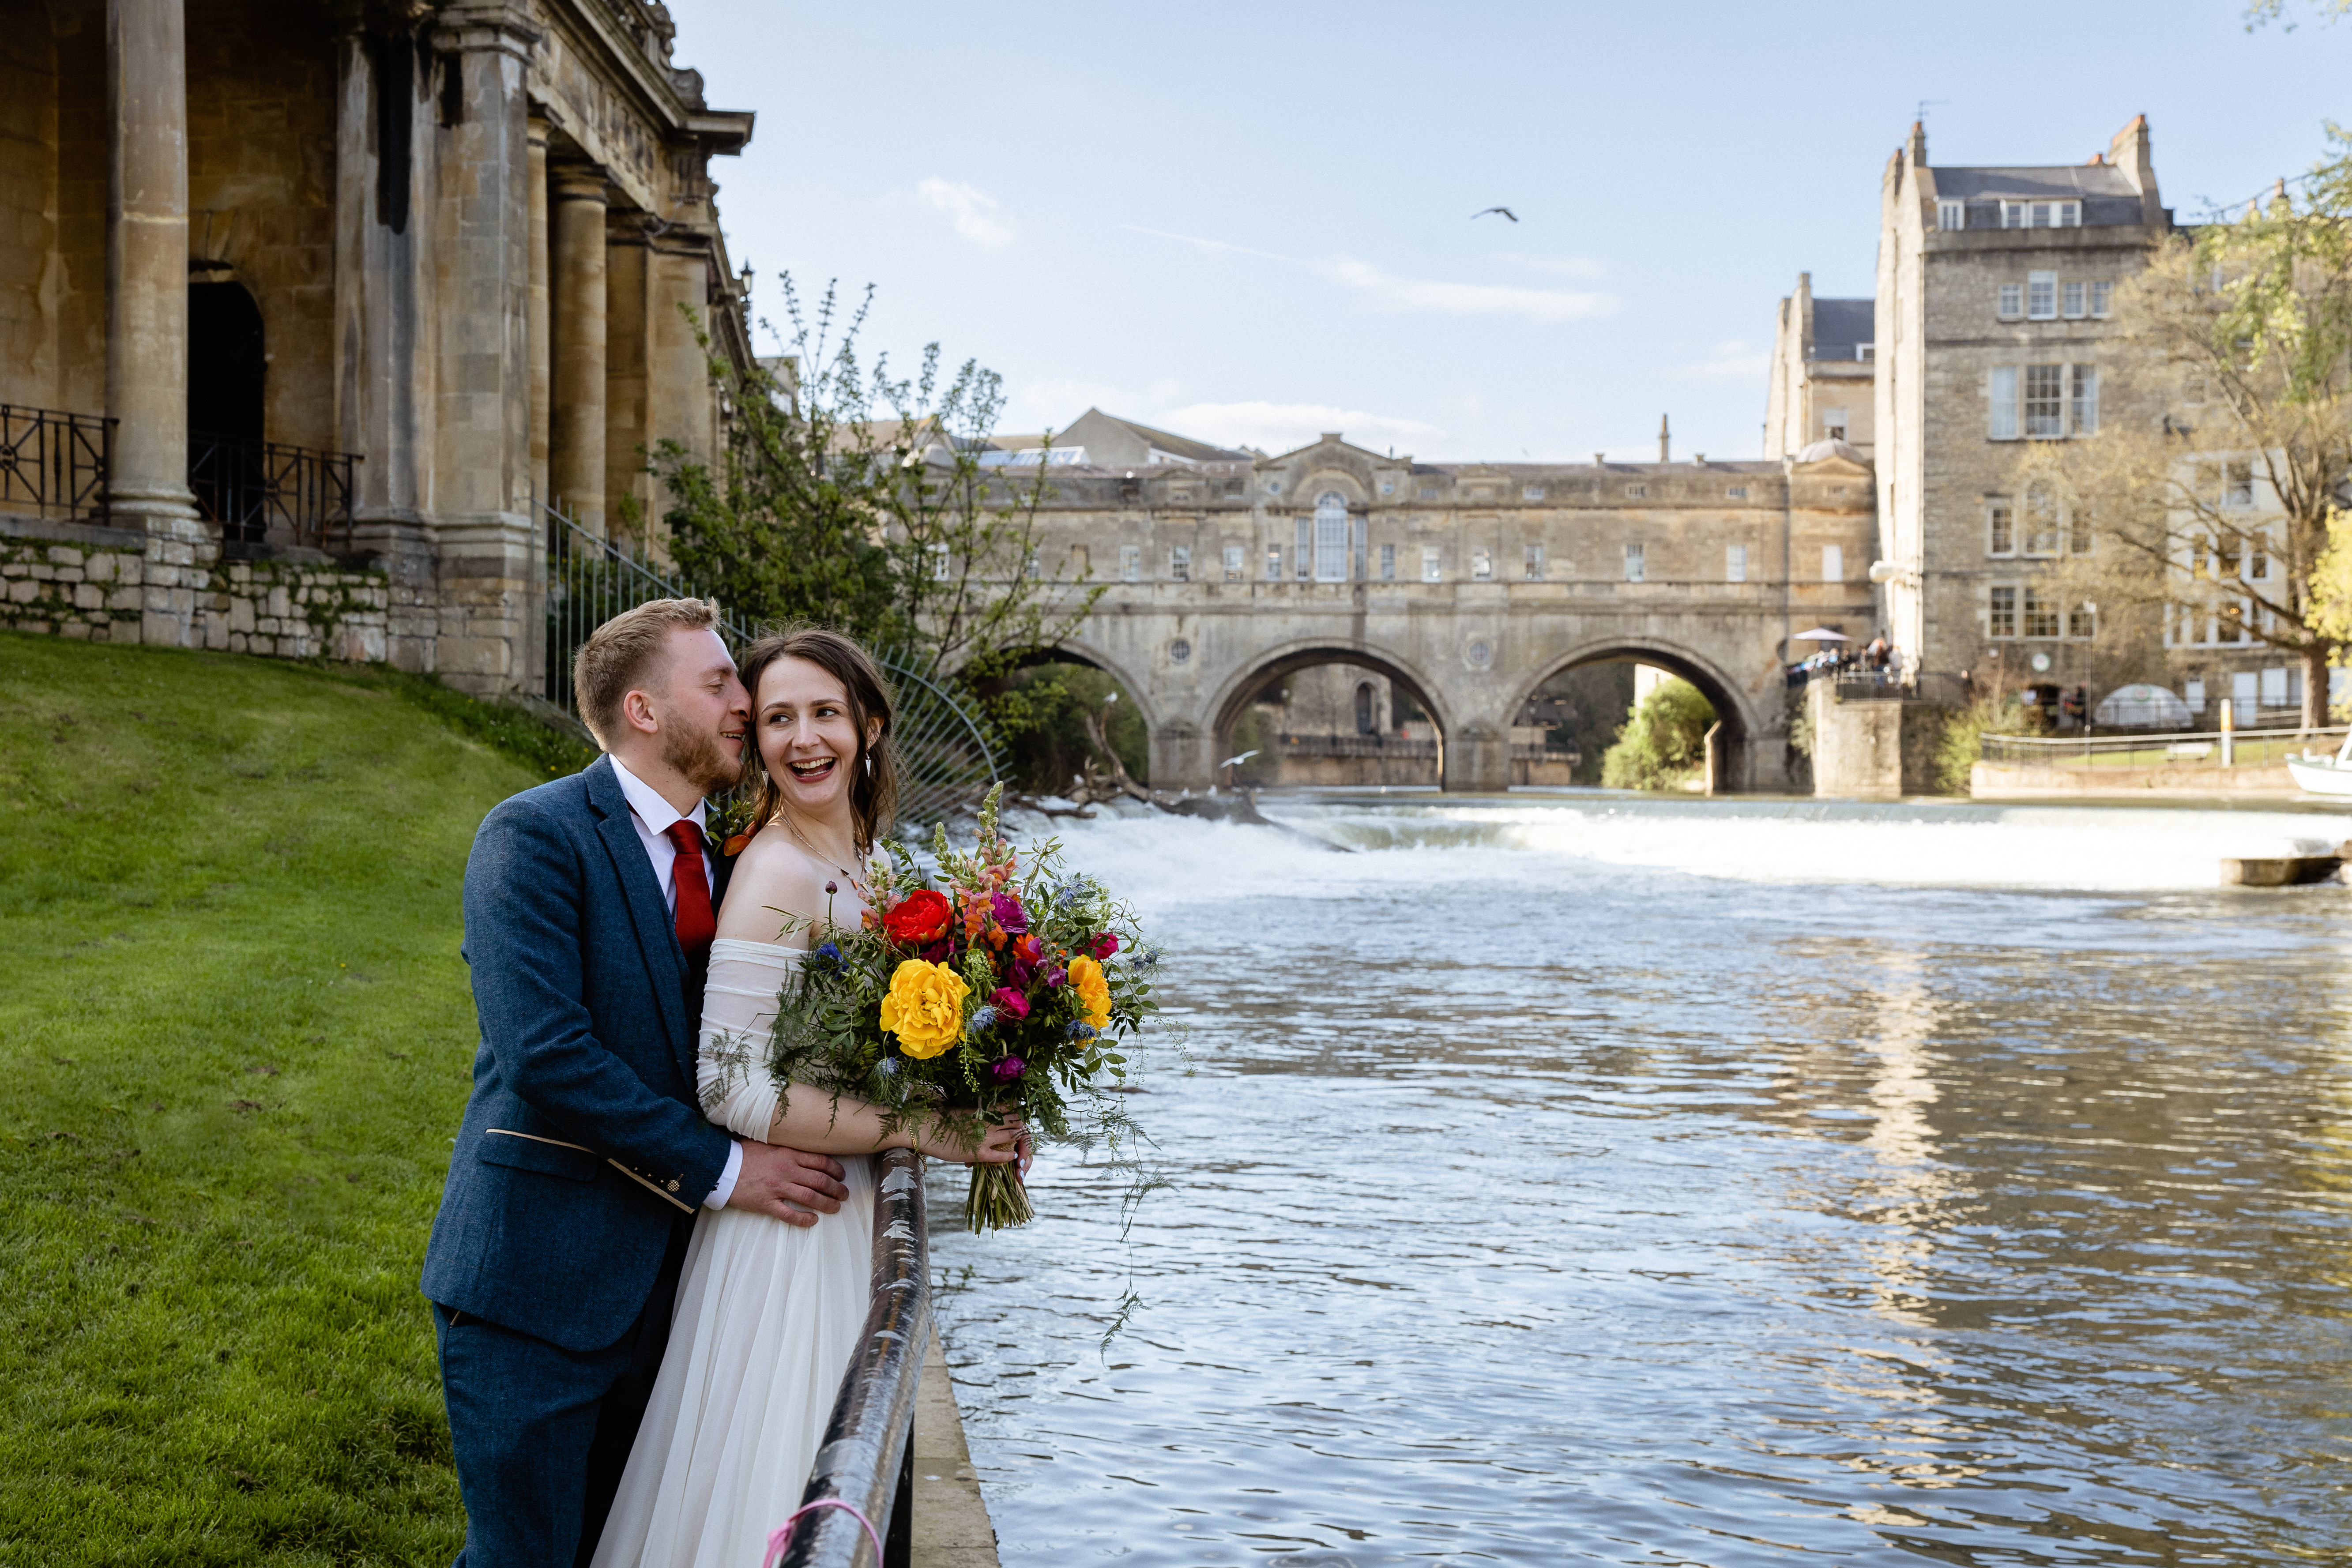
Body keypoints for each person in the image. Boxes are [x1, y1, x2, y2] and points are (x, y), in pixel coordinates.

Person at [421, 598, 854, 1567]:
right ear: (646, 710)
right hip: (535, 1283)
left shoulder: (733, 858)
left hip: (678, 1296)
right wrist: (728, 1168)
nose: (745, 704)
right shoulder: (532, 836)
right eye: (721, 685)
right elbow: (546, 1052)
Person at [590, 628, 1024, 1568]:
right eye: (778, 718)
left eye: (824, 712)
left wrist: (990, 1078)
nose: (802, 738)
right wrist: (937, 1130)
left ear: (868, 724)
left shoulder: (874, 859)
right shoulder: (776, 870)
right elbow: (729, 1083)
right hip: (787, 1238)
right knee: (786, 1493)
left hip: (850, 1215)